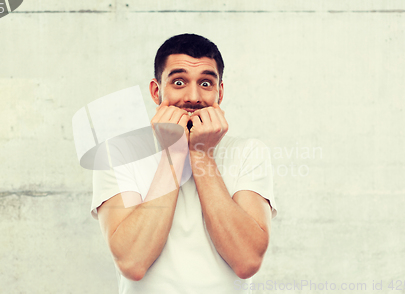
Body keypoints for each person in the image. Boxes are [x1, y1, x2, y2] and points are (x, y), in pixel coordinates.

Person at [92, 33, 277, 294]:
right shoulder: (117, 153)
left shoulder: (249, 152)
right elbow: (132, 262)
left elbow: (247, 261)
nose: (193, 96)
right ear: (157, 91)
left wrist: (200, 153)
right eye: (179, 82)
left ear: (219, 93)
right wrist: (174, 153)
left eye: (206, 83)